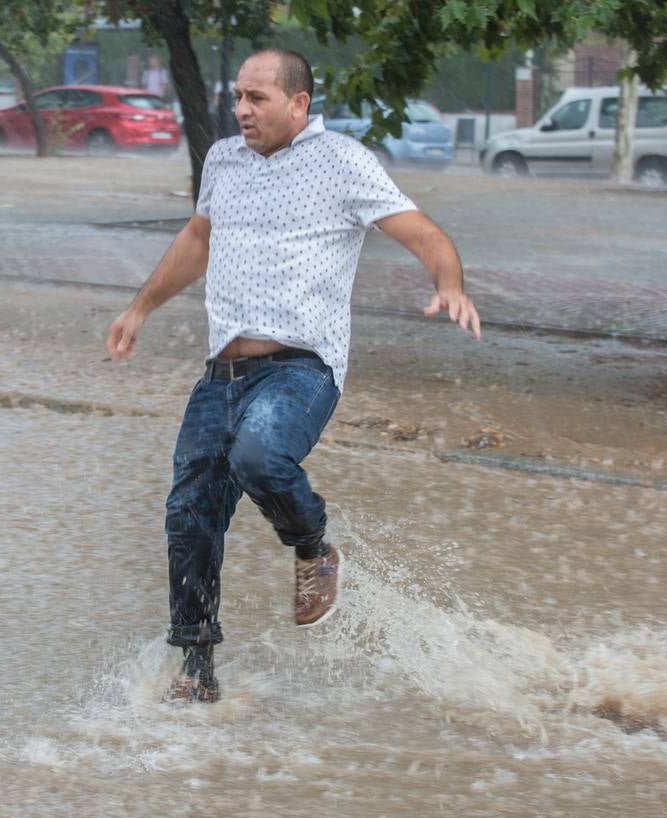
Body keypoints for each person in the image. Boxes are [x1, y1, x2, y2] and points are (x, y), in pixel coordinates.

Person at [105, 49, 480, 703]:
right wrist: (141, 306)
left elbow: (424, 233)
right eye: (239, 98)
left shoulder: (342, 162)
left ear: (299, 103)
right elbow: (198, 239)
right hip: (221, 372)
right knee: (188, 515)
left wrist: (449, 285)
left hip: (302, 370)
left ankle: (313, 548)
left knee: (260, 456)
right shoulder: (223, 160)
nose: (243, 110)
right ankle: (197, 670)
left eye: (259, 98)